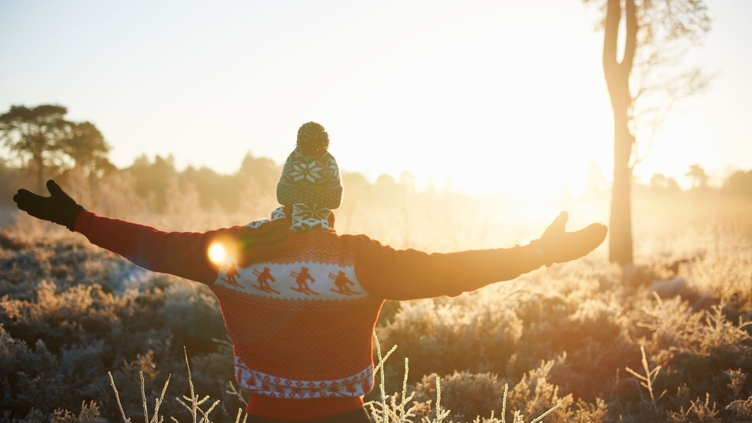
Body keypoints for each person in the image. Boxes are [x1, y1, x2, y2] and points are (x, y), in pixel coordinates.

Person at [13, 122, 607, 423]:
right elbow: (453, 272)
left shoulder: (234, 251)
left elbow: (152, 246)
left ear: (282, 191)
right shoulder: (361, 259)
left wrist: (78, 219)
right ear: (336, 199)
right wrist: (536, 253)